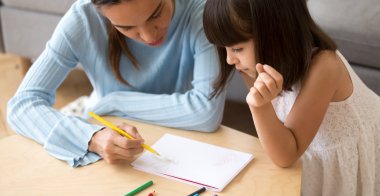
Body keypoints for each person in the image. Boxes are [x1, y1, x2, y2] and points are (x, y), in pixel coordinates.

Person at [7, 0, 226, 167]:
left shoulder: (202, 11)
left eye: (156, 14)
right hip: (109, 132)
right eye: (127, 27)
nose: (149, 37)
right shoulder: (83, 19)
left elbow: (206, 111)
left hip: (176, 134)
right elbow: (21, 106)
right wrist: (91, 137)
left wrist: (114, 101)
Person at [203, 0, 380, 196]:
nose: (229, 59)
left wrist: (259, 107)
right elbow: (279, 135)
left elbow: (286, 155)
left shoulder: (325, 67)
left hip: (357, 157)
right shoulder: (252, 65)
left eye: (237, 49)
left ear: (274, 33)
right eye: (224, 48)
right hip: (311, 154)